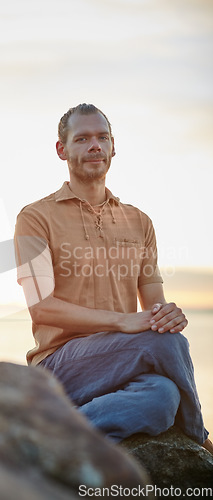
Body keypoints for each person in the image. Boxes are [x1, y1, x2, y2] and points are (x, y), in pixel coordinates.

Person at [14, 103, 212, 453]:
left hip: (121, 363)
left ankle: (58, 437)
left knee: (163, 397)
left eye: (103, 137)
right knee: (168, 344)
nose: (95, 146)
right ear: (62, 150)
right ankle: (201, 438)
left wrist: (167, 315)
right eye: (83, 138)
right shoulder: (35, 217)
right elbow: (42, 308)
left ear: (113, 147)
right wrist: (123, 321)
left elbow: (155, 310)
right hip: (59, 364)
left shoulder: (140, 222)